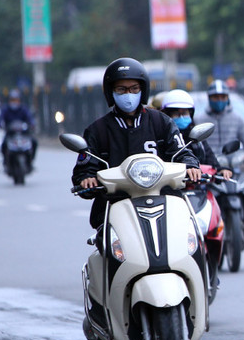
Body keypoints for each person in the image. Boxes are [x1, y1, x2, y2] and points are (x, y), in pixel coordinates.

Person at [71, 58, 202, 232]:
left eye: (134, 89)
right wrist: (87, 179)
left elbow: (180, 152)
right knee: (106, 251)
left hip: (163, 199)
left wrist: (191, 166)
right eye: (121, 89)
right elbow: (85, 168)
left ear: (143, 89)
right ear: (111, 91)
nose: (128, 94)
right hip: (115, 204)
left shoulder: (161, 122)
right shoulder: (97, 130)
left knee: (191, 239)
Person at [196, 80, 244, 245]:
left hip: (232, 168)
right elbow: (195, 143)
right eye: (215, 97)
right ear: (209, 98)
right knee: (201, 193)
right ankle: (203, 228)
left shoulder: (237, 119)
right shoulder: (200, 119)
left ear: (227, 98)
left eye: (222, 97)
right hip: (209, 169)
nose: (219, 100)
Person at [159, 89, 233, 182]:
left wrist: (220, 169)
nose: (181, 117)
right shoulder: (160, 137)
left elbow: (209, 156)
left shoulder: (195, 135)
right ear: (166, 115)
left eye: (185, 113)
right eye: (176, 114)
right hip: (169, 187)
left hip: (196, 187)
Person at [0, 88, 37, 171]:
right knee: (3, 144)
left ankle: (31, 160)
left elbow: (30, 118)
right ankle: (6, 161)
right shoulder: (6, 109)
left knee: (34, 142)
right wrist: (0, 125)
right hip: (11, 134)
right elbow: (0, 119)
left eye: (16, 100)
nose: (14, 102)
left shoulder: (23, 109)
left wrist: (32, 124)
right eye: (12, 100)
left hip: (23, 134)